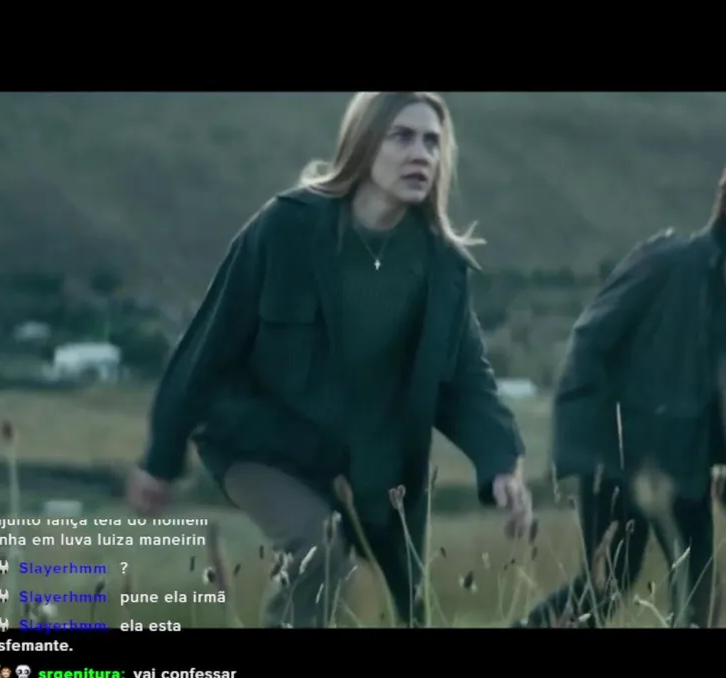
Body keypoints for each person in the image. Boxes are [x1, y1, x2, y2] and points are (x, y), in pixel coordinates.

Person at [126, 92, 531, 628]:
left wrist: (501, 461)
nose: (421, 154)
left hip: (377, 477)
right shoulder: (287, 228)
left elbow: (466, 382)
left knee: (411, 614)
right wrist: (161, 458)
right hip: (264, 449)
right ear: (364, 143)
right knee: (319, 547)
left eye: (432, 142)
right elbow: (209, 345)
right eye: (402, 137)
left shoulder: (441, 266)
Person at [518, 143, 726, 628]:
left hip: (688, 469)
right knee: (605, 587)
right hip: (620, 459)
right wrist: (585, 448)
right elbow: (591, 339)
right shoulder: (668, 263)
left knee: (698, 598)